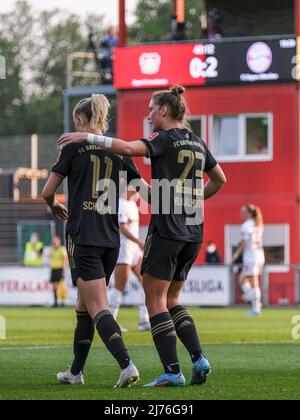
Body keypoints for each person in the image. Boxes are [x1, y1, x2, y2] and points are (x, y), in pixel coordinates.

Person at [57, 85, 226, 388]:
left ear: (164, 110)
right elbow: (220, 179)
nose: (147, 115)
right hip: (194, 229)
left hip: (168, 230)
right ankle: (199, 359)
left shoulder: (163, 138)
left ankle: (173, 371)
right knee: (173, 298)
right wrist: (195, 200)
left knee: (155, 300)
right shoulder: (197, 140)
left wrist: (85, 137)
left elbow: (125, 148)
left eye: (150, 109)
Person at [43, 94, 150, 389]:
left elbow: (47, 191)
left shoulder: (73, 147)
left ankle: (127, 365)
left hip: (83, 236)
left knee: (98, 306)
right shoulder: (118, 151)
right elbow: (146, 190)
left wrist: (53, 204)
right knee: (83, 305)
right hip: (109, 240)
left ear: (80, 120)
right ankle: (75, 372)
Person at [109, 185, 150, 332]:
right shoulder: (121, 204)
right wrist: (139, 242)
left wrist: (138, 244)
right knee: (119, 285)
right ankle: (110, 322)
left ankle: (144, 320)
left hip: (134, 250)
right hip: (124, 249)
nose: (139, 193)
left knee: (145, 281)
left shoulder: (132, 205)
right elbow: (122, 227)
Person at [232, 204, 265, 316]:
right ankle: (254, 301)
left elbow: (245, 243)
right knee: (242, 280)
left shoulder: (246, 225)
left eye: (243, 212)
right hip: (259, 255)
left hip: (251, 257)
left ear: (249, 213)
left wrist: (236, 254)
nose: (241, 214)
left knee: (253, 282)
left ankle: (256, 307)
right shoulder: (258, 223)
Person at [49, 236, 68, 308]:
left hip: (59, 269)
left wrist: (63, 269)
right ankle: (55, 302)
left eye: (55, 241)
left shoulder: (62, 249)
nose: (54, 243)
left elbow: (65, 260)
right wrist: (51, 248)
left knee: (61, 286)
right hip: (53, 269)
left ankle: (62, 301)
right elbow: (49, 256)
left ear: (59, 242)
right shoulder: (52, 250)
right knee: (54, 286)